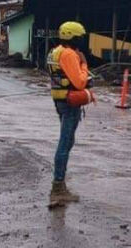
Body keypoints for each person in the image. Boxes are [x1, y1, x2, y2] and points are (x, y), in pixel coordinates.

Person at [47, 21, 91, 206]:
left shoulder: (55, 51)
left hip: (60, 99)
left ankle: (60, 181)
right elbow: (80, 82)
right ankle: (58, 187)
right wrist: (83, 64)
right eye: (80, 36)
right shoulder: (70, 54)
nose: (83, 39)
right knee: (65, 142)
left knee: (68, 140)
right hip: (69, 101)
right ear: (73, 37)